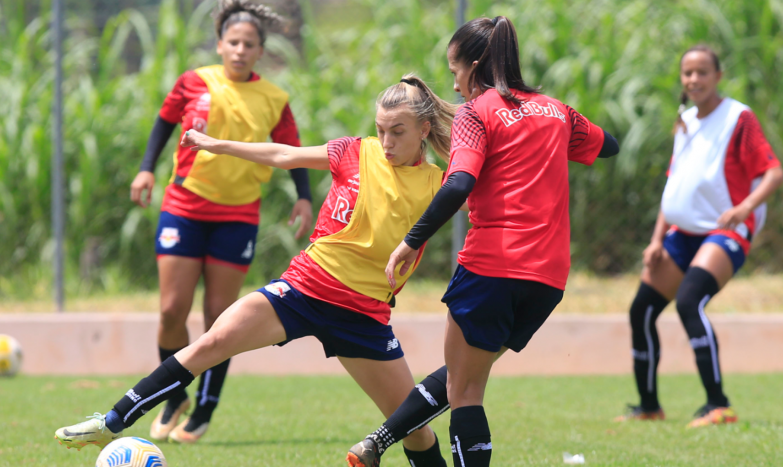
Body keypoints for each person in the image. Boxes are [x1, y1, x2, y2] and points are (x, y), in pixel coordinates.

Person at [56, 74, 455, 467]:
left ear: (423, 129)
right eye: (381, 130)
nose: (386, 143)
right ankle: (110, 422)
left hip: (364, 315)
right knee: (210, 345)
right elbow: (283, 155)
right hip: (302, 290)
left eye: (397, 132)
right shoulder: (354, 151)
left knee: (414, 428)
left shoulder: (441, 184)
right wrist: (218, 145)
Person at [347, 16, 619, 467]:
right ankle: (376, 442)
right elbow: (608, 145)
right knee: (463, 375)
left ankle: (377, 443)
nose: (454, 87)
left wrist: (411, 242)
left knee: (466, 390)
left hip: (493, 266)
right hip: (547, 278)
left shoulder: (478, 112)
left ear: (474, 66)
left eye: (455, 73)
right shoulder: (556, 111)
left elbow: (457, 185)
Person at [127, 0, 314, 444]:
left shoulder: (273, 98)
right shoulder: (194, 81)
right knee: (172, 310)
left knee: (219, 317)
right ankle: (174, 396)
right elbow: (163, 123)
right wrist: (146, 166)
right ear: (219, 44)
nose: (240, 50)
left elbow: (292, 149)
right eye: (233, 42)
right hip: (184, 207)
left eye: (249, 44)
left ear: (259, 50)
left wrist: (305, 197)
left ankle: (205, 407)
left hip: (238, 215)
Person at [614, 45, 783, 428]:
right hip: (680, 233)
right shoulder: (685, 120)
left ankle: (718, 405)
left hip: (724, 233)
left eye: (702, 72)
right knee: (641, 311)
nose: (694, 79)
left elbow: (773, 173)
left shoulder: (738, 117)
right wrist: (657, 239)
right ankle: (648, 407)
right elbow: (675, 187)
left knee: (690, 301)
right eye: (687, 73)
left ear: (718, 76)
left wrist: (744, 208)